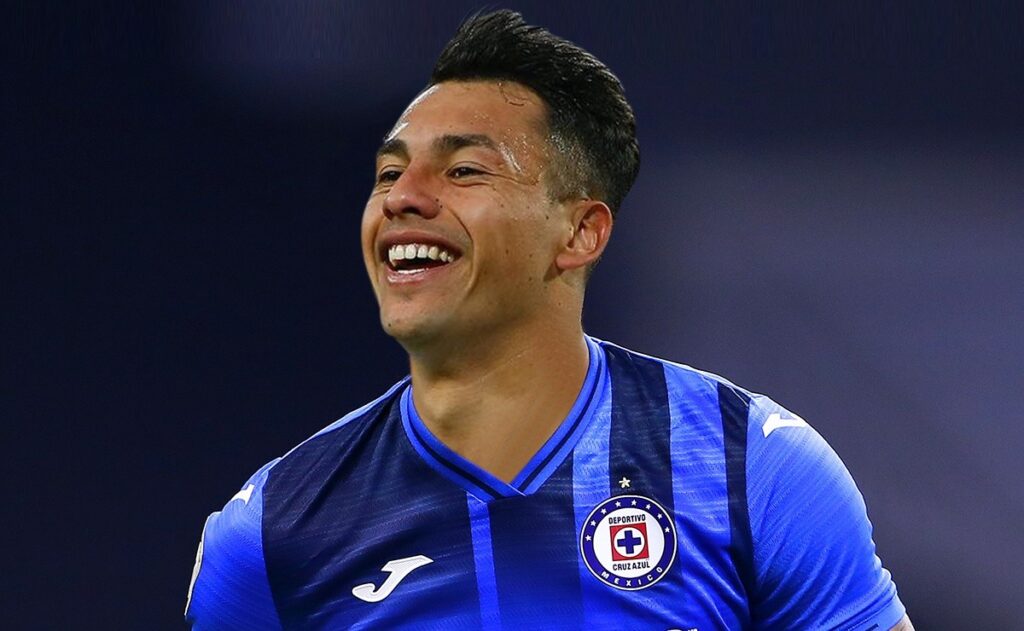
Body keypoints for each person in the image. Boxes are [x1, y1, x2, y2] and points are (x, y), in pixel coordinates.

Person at [185, 10, 912, 630]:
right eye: (387, 173)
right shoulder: (274, 529)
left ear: (580, 233)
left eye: (464, 170)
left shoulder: (752, 469)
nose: (403, 198)